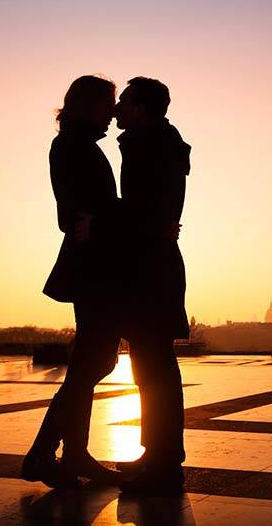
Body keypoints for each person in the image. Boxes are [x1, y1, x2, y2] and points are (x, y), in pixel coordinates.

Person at [22, 75, 125, 487]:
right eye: (107, 104)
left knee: (92, 361)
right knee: (93, 362)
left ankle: (68, 453)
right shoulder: (74, 147)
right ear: (89, 106)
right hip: (95, 266)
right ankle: (47, 454)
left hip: (94, 263)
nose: (112, 112)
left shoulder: (76, 144)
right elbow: (76, 210)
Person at [112, 77, 191, 495]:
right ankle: (158, 454)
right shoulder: (158, 143)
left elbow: (144, 211)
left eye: (124, 101)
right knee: (151, 365)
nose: (117, 108)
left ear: (141, 108)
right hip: (153, 262)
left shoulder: (151, 146)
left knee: (154, 367)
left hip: (150, 266)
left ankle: (163, 461)